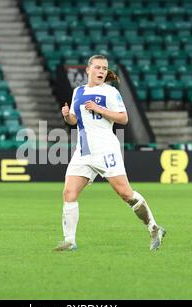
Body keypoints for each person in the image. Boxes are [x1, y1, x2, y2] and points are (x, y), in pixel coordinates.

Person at [54, 55, 165, 251]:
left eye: (104, 69)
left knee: (125, 193)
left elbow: (123, 119)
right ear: (88, 70)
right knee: (69, 193)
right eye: (97, 67)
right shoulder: (77, 91)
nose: (101, 71)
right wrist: (67, 116)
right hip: (83, 151)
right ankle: (70, 241)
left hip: (105, 149)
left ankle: (154, 227)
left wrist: (100, 109)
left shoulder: (111, 92)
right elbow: (74, 120)